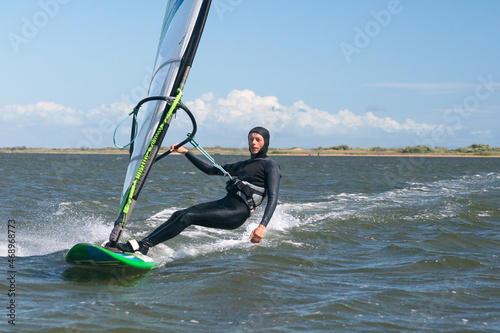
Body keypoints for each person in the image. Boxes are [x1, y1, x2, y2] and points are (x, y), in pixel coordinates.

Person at [117, 126, 281, 255]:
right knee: (179, 214)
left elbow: (273, 197)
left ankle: (144, 245)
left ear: (265, 142)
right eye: (251, 139)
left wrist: (262, 226)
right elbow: (211, 169)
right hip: (224, 205)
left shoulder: (270, 165)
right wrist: (186, 152)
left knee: (188, 217)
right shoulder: (244, 164)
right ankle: (144, 244)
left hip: (237, 213)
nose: (253, 143)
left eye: (258, 140)